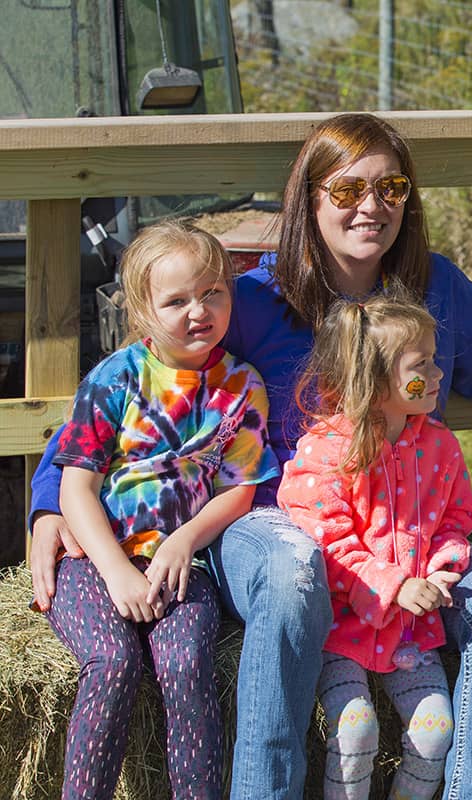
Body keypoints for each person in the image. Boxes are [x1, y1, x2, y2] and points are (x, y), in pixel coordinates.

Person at [28, 112, 472, 800]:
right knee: (294, 572)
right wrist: (50, 501)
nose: (372, 206)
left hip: (404, 527)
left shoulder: (433, 292)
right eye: (347, 191)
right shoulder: (251, 299)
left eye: (391, 187)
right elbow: (134, 390)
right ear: (309, 198)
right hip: (269, 516)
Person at [46, 222, 278, 799]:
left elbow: (238, 487)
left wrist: (184, 542)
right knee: (113, 662)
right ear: (144, 312)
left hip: (182, 563)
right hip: (95, 560)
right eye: (176, 300)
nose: (199, 310)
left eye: (213, 293)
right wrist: (115, 570)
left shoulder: (242, 387)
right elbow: (76, 487)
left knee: (187, 667)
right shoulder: (116, 378)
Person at [279, 294, 472, 800]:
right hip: (340, 630)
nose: (437, 373)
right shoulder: (327, 452)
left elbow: (456, 519)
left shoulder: (439, 447)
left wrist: (440, 570)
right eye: (421, 365)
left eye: (434, 358)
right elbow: (328, 540)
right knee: (356, 729)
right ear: (375, 379)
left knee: (435, 733)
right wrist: (394, 584)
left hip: (411, 632)